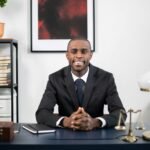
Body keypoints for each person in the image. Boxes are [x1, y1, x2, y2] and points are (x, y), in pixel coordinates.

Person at [36, 37, 127, 131]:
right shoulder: (55, 79)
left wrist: (95, 122)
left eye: (84, 51)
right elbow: (42, 113)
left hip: (96, 136)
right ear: (67, 55)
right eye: (74, 51)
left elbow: (121, 113)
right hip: (65, 137)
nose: (79, 55)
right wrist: (66, 121)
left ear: (90, 55)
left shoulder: (106, 78)